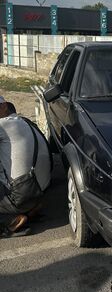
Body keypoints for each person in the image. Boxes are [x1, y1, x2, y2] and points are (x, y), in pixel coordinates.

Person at [0, 97, 51, 237]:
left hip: (22, 195)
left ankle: (10, 220)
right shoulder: (24, 122)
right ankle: (30, 210)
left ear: (4, 107)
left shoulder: (2, 125)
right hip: (41, 190)